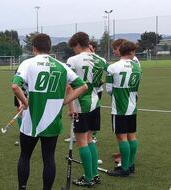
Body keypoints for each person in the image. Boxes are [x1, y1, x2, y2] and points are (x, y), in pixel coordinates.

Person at [12, 33, 87, 190]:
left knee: (25, 156)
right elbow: (83, 86)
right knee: (48, 158)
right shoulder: (61, 66)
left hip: (31, 121)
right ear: (49, 47)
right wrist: (64, 102)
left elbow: (15, 86)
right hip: (52, 120)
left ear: (34, 48)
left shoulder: (28, 63)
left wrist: (25, 103)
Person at [66, 32, 108, 187]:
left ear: (77, 44)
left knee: (82, 141)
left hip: (80, 105)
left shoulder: (73, 60)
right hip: (95, 103)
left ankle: (88, 178)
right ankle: (94, 175)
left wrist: (71, 107)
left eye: (73, 47)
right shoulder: (101, 60)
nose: (74, 50)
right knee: (90, 140)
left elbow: (68, 85)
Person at [106, 40, 142, 177]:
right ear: (132, 52)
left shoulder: (112, 67)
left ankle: (124, 168)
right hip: (132, 106)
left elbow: (109, 90)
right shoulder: (138, 67)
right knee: (132, 135)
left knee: (122, 137)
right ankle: (131, 165)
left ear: (120, 51)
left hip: (119, 108)